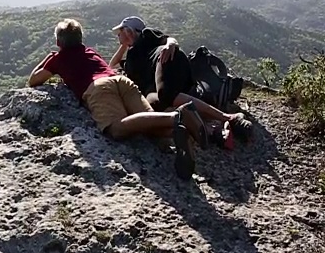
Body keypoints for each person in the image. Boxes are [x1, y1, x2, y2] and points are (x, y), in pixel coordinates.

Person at [27, 18, 208, 180]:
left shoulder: (58, 58)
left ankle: (177, 117)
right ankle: (181, 131)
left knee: (116, 129)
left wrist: (47, 59)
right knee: (150, 125)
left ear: (59, 42)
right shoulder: (90, 52)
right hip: (121, 81)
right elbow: (110, 67)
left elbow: (33, 81)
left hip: (98, 89)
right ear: (80, 39)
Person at [109, 16, 253, 144]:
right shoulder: (132, 57)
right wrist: (125, 44)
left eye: (120, 32)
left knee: (166, 94)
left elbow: (169, 39)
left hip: (168, 60)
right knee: (154, 103)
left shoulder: (147, 35)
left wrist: (171, 45)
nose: (118, 37)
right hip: (159, 82)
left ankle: (228, 117)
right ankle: (211, 130)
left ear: (129, 31)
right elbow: (111, 65)